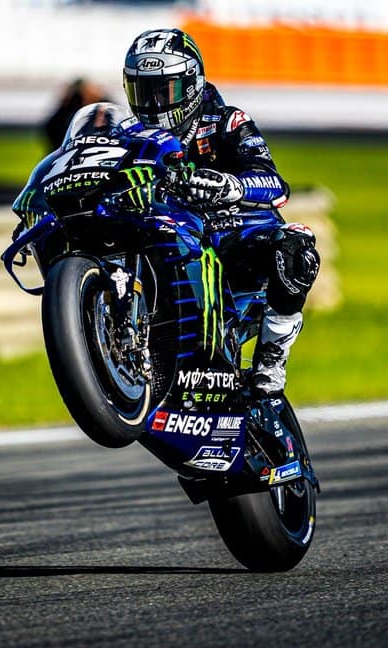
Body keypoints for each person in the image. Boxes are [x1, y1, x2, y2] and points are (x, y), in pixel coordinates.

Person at [122, 28, 320, 396]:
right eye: (142, 92)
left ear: (191, 85)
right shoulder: (129, 134)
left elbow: (275, 185)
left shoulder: (226, 121)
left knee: (297, 247)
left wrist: (231, 186)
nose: (153, 104)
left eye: (164, 91)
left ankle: (271, 358)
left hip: (230, 238)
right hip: (166, 240)